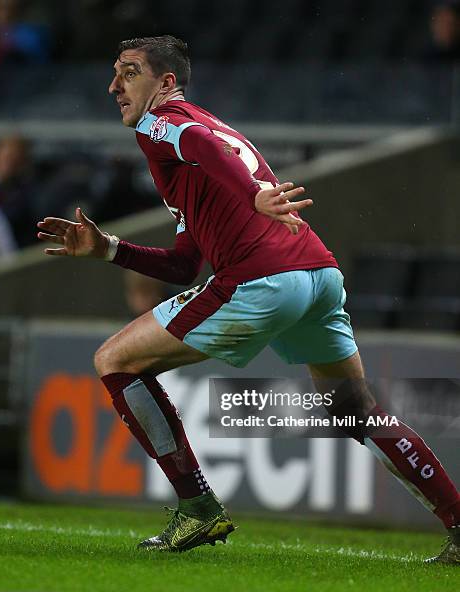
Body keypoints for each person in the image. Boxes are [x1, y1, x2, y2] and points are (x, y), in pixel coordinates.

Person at [37, 35, 459, 563]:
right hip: (317, 274)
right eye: (115, 73)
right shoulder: (202, 141)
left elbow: (201, 146)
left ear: (165, 83)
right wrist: (109, 251)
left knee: (114, 360)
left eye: (128, 72)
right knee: (353, 408)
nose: (114, 85)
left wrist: (251, 194)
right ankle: (459, 522)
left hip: (263, 280)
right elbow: (184, 264)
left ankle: (196, 507)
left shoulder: (163, 123)